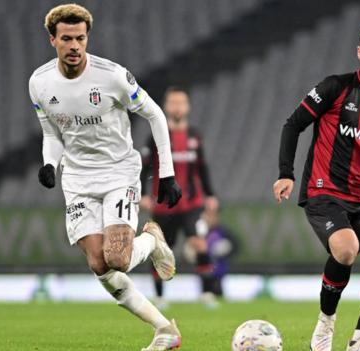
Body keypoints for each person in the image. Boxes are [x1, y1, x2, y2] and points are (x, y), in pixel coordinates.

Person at [29, 4, 183, 350]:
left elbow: (156, 115)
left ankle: (152, 241)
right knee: (99, 264)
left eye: (80, 38)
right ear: (53, 39)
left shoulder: (112, 76)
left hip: (118, 173)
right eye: (66, 38)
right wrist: (49, 163)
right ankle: (164, 330)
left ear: (87, 38)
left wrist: (166, 173)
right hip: (78, 179)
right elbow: (52, 133)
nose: (74, 46)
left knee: (119, 259)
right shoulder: (39, 83)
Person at [273, 23, 360, 351]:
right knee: (345, 249)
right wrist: (286, 173)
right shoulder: (335, 88)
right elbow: (293, 125)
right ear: (359, 53)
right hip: (326, 190)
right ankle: (325, 322)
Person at [140, 87, 219, 309]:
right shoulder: (155, 135)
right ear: (166, 107)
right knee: (161, 250)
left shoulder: (194, 136)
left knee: (198, 243)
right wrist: (143, 194)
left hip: (191, 203)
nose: (177, 107)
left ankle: (206, 294)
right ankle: (160, 296)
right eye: (173, 103)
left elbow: (202, 168)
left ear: (187, 107)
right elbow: (143, 167)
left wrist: (210, 195)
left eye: (181, 103)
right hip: (163, 205)